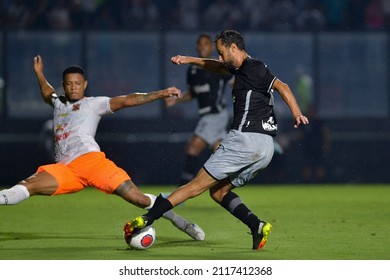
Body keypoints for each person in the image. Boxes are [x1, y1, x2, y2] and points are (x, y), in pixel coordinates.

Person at [124, 30, 309, 250]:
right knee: (219, 192)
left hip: (244, 140)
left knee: (194, 186)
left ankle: (146, 220)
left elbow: (283, 87)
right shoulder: (241, 70)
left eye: (221, 52)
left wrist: (297, 112)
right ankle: (257, 226)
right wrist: (188, 60)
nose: (219, 57)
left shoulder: (254, 67)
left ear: (233, 48)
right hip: (265, 148)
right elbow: (216, 66)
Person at [0, 55, 205, 241]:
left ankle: (181, 222)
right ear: (64, 85)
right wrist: (39, 74)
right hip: (65, 170)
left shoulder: (93, 104)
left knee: (139, 199)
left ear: (85, 85)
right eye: (69, 84)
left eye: (78, 84)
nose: (73, 87)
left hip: (93, 163)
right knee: (27, 185)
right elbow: (47, 93)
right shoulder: (59, 104)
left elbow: (127, 100)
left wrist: (161, 94)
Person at [165, 33, 231, 185]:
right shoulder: (193, 70)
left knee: (193, 148)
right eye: (199, 44)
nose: (202, 47)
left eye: (206, 44)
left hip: (215, 115)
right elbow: (193, 94)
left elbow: (234, 80)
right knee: (219, 151)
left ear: (212, 48)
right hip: (208, 116)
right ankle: (229, 180)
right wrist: (176, 100)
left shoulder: (217, 66)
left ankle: (182, 189)